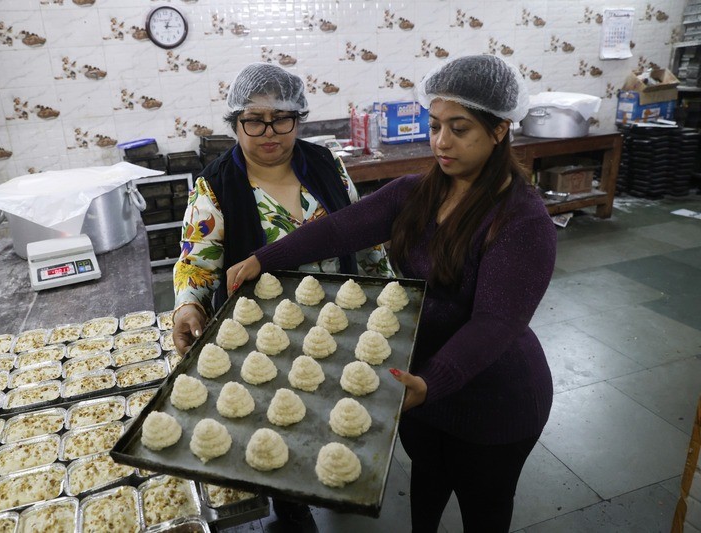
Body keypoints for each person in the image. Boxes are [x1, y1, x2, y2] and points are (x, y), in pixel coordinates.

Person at [226, 55, 557, 532]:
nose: (441, 141)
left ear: (500, 129)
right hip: (417, 381)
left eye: (460, 129)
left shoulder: (522, 221)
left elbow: (496, 323)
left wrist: (430, 382)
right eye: (435, 125)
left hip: (492, 398)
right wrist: (264, 258)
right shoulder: (417, 192)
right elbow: (340, 229)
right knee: (427, 486)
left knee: (484, 509)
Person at [171, 62, 393, 531]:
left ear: (299, 118)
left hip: (340, 322)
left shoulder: (326, 164)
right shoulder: (215, 186)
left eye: (282, 118)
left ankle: (337, 469)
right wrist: (188, 304)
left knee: (336, 399)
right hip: (266, 338)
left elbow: (363, 232)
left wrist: (388, 293)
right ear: (235, 123)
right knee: (280, 417)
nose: (269, 132)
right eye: (254, 120)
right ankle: (290, 500)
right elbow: (197, 262)